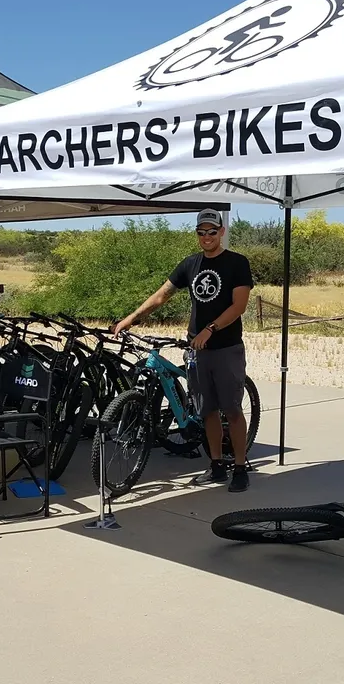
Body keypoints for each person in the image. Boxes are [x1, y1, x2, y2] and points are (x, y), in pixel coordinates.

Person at [114, 209, 255, 491]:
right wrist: (132, 317)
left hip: (226, 348)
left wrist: (210, 329)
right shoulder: (190, 264)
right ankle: (216, 465)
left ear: (221, 232)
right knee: (207, 411)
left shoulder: (237, 263)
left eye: (212, 232)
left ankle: (239, 466)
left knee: (232, 409)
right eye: (201, 232)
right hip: (197, 351)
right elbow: (161, 294)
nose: (206, 237)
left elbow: (239, 306)